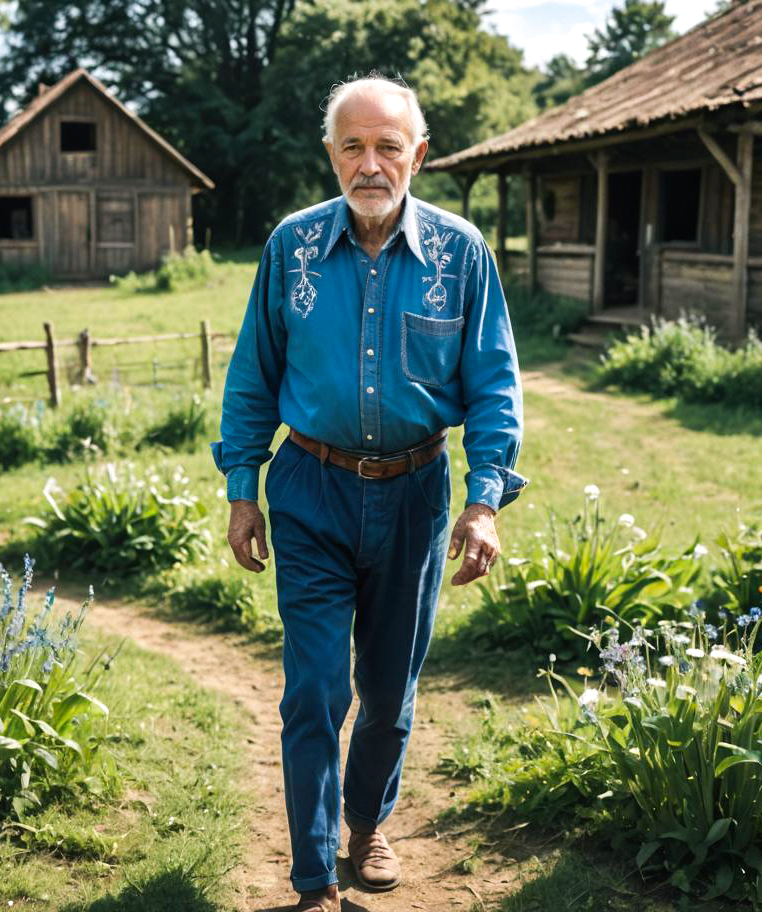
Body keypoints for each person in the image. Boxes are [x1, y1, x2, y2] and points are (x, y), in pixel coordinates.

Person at [211, 73, 526, 912]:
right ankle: (313, 877)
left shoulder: (463, 255)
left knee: (388, 689)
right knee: (316, 687)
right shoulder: (291, 247)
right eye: (353, 145)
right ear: (331, 155)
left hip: (418, 494)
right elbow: (253, 374)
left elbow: (494, 384)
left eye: (389, 145)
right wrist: (243, 488)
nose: (371, 163)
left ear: (418, 154)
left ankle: (365, 824)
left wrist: (485, 499)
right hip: (309, 487)